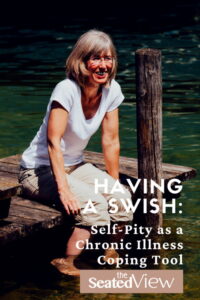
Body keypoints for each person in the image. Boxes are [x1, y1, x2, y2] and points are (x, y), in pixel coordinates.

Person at [18, 29, 133, 276]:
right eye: (96, 59)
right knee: (94, 205)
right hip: (39, 169)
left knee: (121, 197)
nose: (103, 66)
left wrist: (113, 183)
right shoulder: (66, 89)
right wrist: (64, 189)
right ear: (82, 61)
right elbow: (53, 143)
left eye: (108, 58)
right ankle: (66, 261)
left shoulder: (111, 90)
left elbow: (111, 141)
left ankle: (110, 251)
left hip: (76, 165)